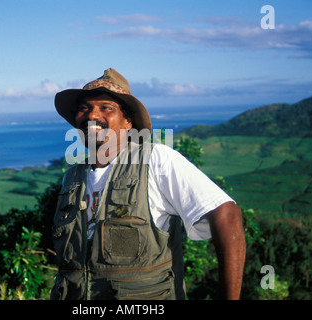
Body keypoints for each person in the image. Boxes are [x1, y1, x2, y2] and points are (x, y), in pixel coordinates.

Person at [51, 68, 246, 300]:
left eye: (106, 108)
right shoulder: (72, 179)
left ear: (127, 122)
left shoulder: (156, 160)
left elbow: (227, 214)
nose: (92, 115)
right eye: (85, 108)